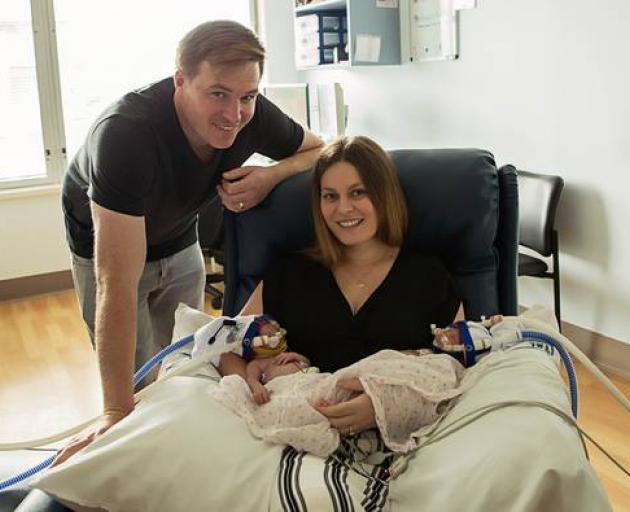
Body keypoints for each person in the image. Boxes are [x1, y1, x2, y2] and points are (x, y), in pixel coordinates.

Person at [55, 20, 323, 466]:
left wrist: (269, 176)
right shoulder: (126, 134)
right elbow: (115, 285)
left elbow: (320, 150)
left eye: (247, 96)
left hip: (179, 238)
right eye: (217, 93)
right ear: (180, 80)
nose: (234, 114)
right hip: (109, 249)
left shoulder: (251, 114)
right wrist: (114, 412)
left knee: (185, 367)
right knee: (137, 393)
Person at [219, 134, 460, 438]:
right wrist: (253, 396)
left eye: (358, 193)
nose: (343, 208)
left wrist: (384, 406)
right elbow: (226, 348)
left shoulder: (428, 276)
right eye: (330, 196)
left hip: (400, 436)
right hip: (290, 433)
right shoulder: (289, 273)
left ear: (384, 196)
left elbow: (454, 368)